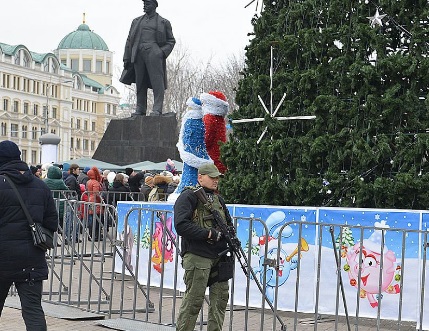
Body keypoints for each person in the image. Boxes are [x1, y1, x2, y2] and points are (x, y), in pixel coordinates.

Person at [0, 140, 58, 331]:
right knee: (33, 310)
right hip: (32, 257)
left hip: (2, 257)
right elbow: (51, 223)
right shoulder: (41, 186)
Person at [174, 163, 234, 331]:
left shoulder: (218, 199)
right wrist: (208, 234)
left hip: (220, 256)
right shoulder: (188, 197)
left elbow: (228, 224)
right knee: (194, 302)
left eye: (217, 178)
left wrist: (231, 237)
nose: (215, 181)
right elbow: (181, 225)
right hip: (198, 255)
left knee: (220, 301)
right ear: (200, 177)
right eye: (212, 177)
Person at [121, 0, 176, 116]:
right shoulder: (136, 21)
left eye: (148, 3)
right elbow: (129, 40)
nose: (145, 5)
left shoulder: (163, 22)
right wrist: (127, 57)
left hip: (154, 54)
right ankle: (140, 109)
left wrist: (161, 52)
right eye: (144, 4)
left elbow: (171, 41)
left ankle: (157, 109)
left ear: (155, 6)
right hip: (138, 54)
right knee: (140, 82)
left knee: (157, 82)